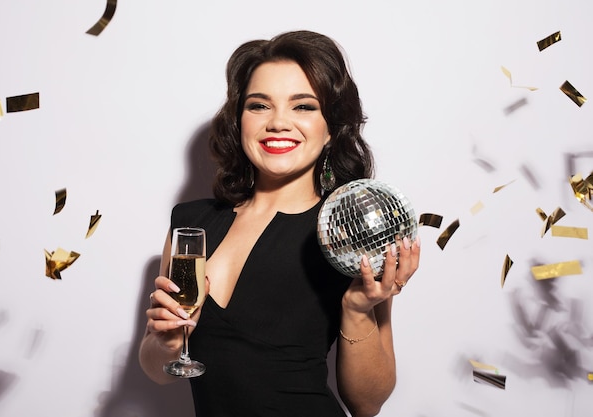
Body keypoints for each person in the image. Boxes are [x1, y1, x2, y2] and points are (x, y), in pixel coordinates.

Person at [138, 30, 421, 417]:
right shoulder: (190, 225)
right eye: (259, 105)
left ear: (331, 129)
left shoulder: (351, 235)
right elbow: (158, 371)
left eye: (303, 107)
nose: (278, 122)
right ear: (239, 120)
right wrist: (168, 341)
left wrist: (357, 310)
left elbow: (367, 403)